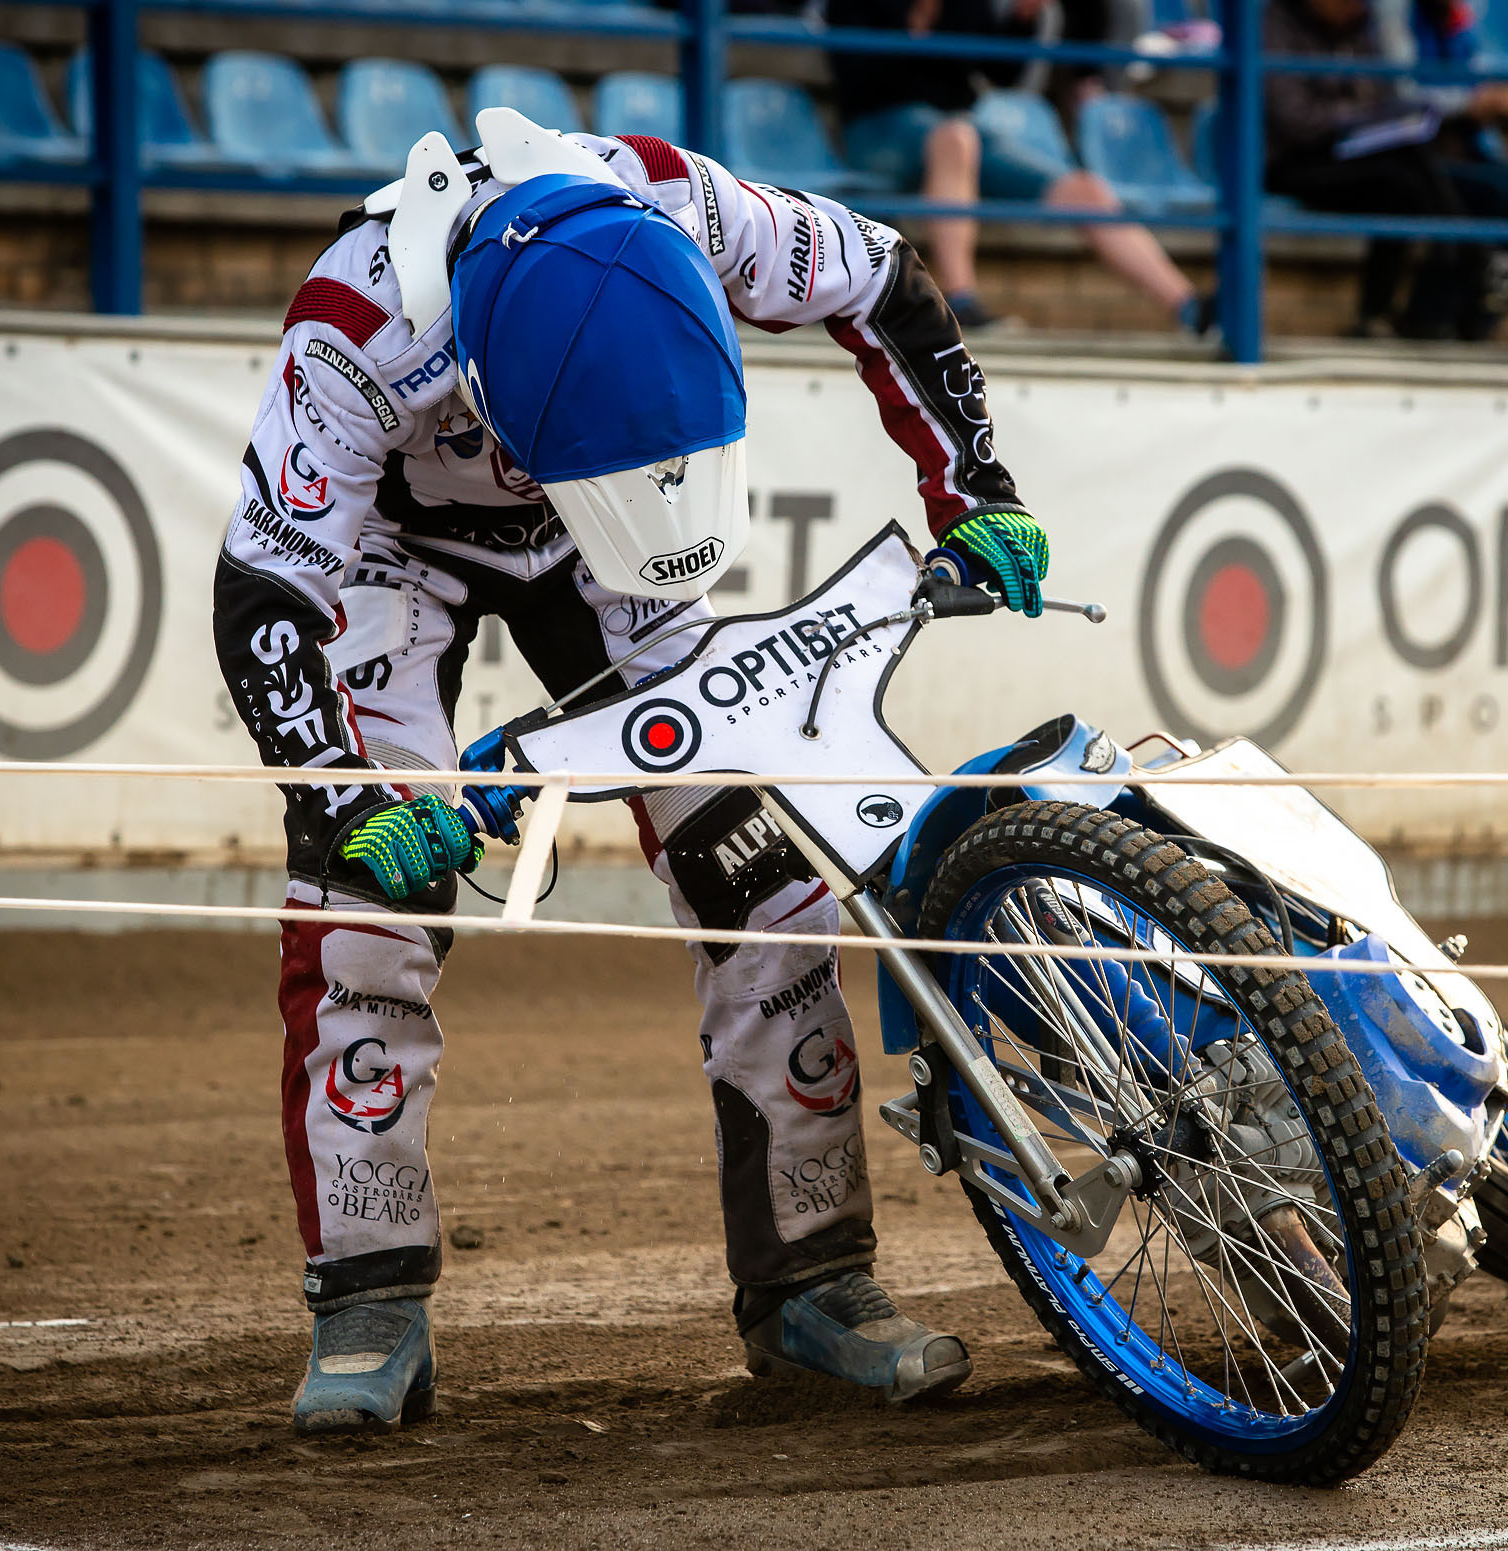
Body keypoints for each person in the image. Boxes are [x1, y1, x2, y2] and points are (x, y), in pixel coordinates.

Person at [213, 113, 1053, 1431]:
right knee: (368, 906)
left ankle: (812, 1281)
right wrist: (344, 796)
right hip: (390, 554)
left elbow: (885, 274)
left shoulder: (683, 202)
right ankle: (368, 1300)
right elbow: (266, 594)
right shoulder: (354, 329)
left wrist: (976, 488)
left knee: (766, 883)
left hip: (620, 528)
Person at [825, 0, 1212, 334]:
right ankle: (960, 303)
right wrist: (923, 11)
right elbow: (861, 74)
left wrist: (1025, 10)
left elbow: (996, 70)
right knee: (956, 139)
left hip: (957, 130)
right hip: (879, 129)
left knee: (1083, 188)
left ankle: (1190, 306)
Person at [1262, 0, 1494, 338]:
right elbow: (1296, 119)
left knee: (1406, 170)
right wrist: (1358, 116)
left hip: (1346, 148)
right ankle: (1464, 255)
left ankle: (1388, 307)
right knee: (1402, 173)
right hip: (1288, 161)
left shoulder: (1351, 24)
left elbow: (1380, 93)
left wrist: (1367, 117)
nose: (1356, 6)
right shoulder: (1275, 24)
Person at [1371, 0, 1508, 332]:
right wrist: (1468, 103)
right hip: (1407, 148)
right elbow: (1401, 89)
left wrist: (1497, 98)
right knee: (1487, 193)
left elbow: (1472, 73)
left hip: (1457, 141)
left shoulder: (1457, 7)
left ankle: (1475, 322)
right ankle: (1426, 322)